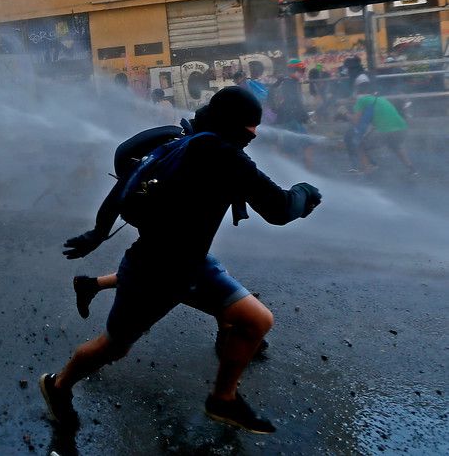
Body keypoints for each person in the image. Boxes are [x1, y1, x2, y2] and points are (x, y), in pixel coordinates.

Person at [39, 87, 322, 434]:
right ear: (232, 123)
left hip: (192, 264)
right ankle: (57, 385)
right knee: (113, 347)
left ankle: (223, 399)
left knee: (256, 321)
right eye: (250, 125)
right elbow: (280, 210)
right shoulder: (222, 154)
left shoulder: (187, 140)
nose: (255, 133)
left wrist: (97, 233)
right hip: (154, 272)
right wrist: (306, 191)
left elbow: (123, 187)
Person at [343, 79, 416, 175]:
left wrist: (344, 112)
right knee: (395, 146)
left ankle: (368, 169)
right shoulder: (381, 99)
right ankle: (411, 169)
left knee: (358, 143)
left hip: (386, 131)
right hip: (402, 129)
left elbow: (356, 121)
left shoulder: (362, 100)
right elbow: (378, 120)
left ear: (357, 92)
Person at [274, 59, 313, 169]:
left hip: (289, 120)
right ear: (293, 70)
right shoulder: (289, 83)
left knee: (291, 149)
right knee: (305, 145)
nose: (302, 73)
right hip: (290, 120)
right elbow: (294, 103)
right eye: (300, 70)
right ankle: (305, 172)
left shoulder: (289, 82)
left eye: (303, 70)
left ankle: (290, 172)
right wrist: (307, 119)